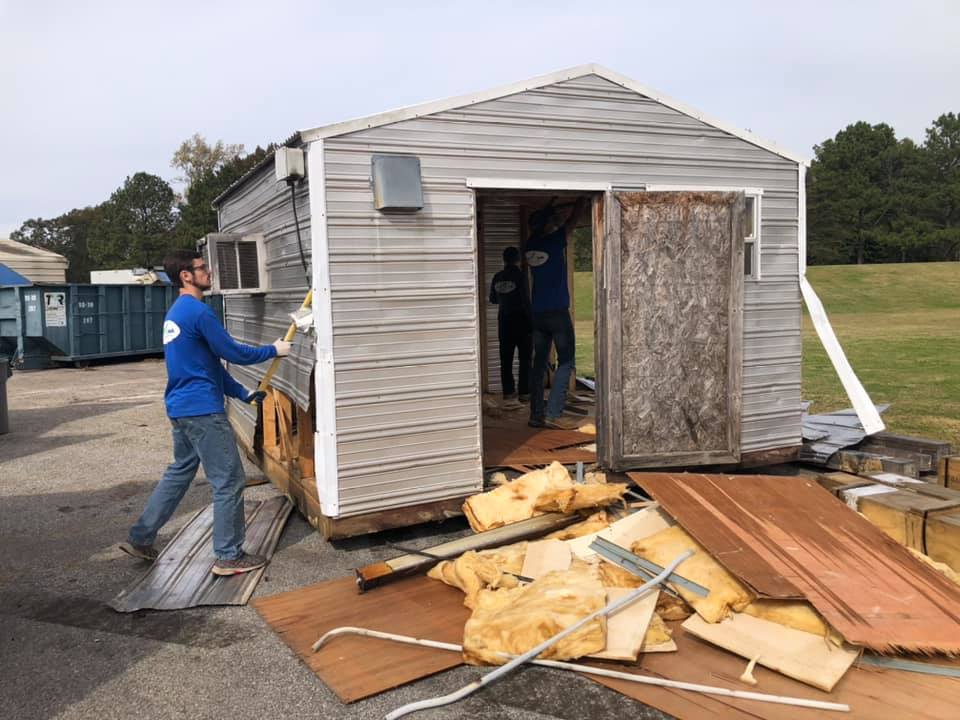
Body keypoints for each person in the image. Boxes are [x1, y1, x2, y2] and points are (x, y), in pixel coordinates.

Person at [119, 250, 291, 576]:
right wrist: (274, 349)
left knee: (180, 472)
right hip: (202, 412)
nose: (209, 272)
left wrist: (242, 393)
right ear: (186, 275)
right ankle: (228, 556)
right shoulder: (198, 312)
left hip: (181, 408)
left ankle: (141, 537)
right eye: (202, 268)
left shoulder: (176, 313)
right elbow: (233, 353)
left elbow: (209, 364)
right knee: (229, 481)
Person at [525, 196, 586, 429]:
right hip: (557, 313)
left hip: (538, 314)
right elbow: (572, 222)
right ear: (547, 225)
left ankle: (536, 415)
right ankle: (553, 413)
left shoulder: (530, 245)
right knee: (566, 361)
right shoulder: (553, 241)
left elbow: (546, 224)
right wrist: (580, 200)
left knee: (539, 364)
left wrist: (548, 208)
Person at [489, 246, 532, 406]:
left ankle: (508, 393)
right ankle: (524, 392)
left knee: (506, 360)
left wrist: (504, 297)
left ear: (504, 259)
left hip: (504, 324)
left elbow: (493, 299)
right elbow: (526, 300)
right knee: (525, 359)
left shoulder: (497, 277)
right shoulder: (521, 276)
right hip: (522, 323)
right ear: (518, 259)